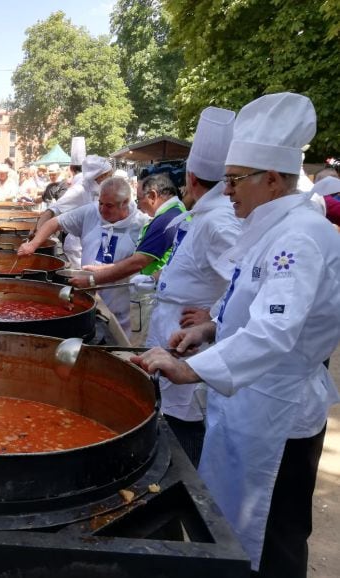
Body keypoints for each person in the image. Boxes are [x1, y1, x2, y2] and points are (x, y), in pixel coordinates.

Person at [132, 93, 340, 578]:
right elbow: (253, 305)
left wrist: (189, 368)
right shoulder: (272, 228)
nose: (225, 192)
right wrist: (211, 328)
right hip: (248, 402)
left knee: (274, 543)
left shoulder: (300, 237)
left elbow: (275, 329)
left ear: (271, 179)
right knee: (234, 533)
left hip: (276, 416)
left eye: (233, 179)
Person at [145, 107, 242, 467]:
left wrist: (212, 316)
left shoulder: (219, 220)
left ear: (192, 176)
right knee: (167, 403)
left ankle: (187, 473)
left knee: (183, 413)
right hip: (171, 323)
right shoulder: (204, 212)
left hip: (186, 332)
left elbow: (241, 276)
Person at [18, 177, 148, 334]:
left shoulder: (142, 224)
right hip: (87, 296)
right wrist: (33, 245)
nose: (102, 209)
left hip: (121, 305)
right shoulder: (91, 211)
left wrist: (102, 273)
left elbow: (138, 263)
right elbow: (54, 223)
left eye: (109, 206)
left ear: (125, 202)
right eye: (101, 203)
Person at [81, 172, 185, 284]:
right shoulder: (178, 210)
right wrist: (102, 269)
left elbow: (138, 262)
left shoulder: (166, 220)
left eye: (139, 199)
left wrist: (92, 280)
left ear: (152, 196)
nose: (138, 206)